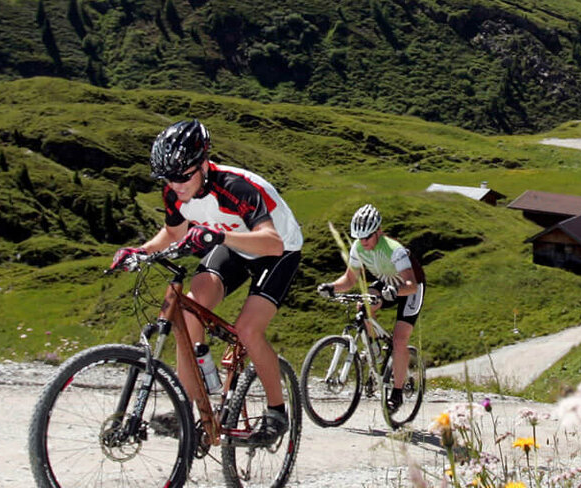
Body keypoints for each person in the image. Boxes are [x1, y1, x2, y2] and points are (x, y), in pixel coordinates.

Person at [113, 119, 303, 444]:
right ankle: (191, 404)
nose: (176, 185)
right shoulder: (176, 190)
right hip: (231, 244)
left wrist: (216, 235)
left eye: (183, 176)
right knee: (189, 312)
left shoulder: (236, 187)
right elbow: (174, 232)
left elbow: (271, 241)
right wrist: (140, 251)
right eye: (168, 179)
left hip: (278, 250)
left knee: (247, 329)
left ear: (203, 164)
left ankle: (276, 412)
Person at [316, 204, 425, 413]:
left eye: (367, 236)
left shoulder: (395, 250)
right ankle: (375, 350)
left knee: (400, 339)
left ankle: (397, 392)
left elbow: (410, 285)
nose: (363, 241)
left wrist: (395, 292)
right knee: (363, 307)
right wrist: (331, 287)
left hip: (411, 288)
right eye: (359, 236)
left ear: (378, 231)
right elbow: (349, 280)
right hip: (387, 284)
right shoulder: (358, 247)